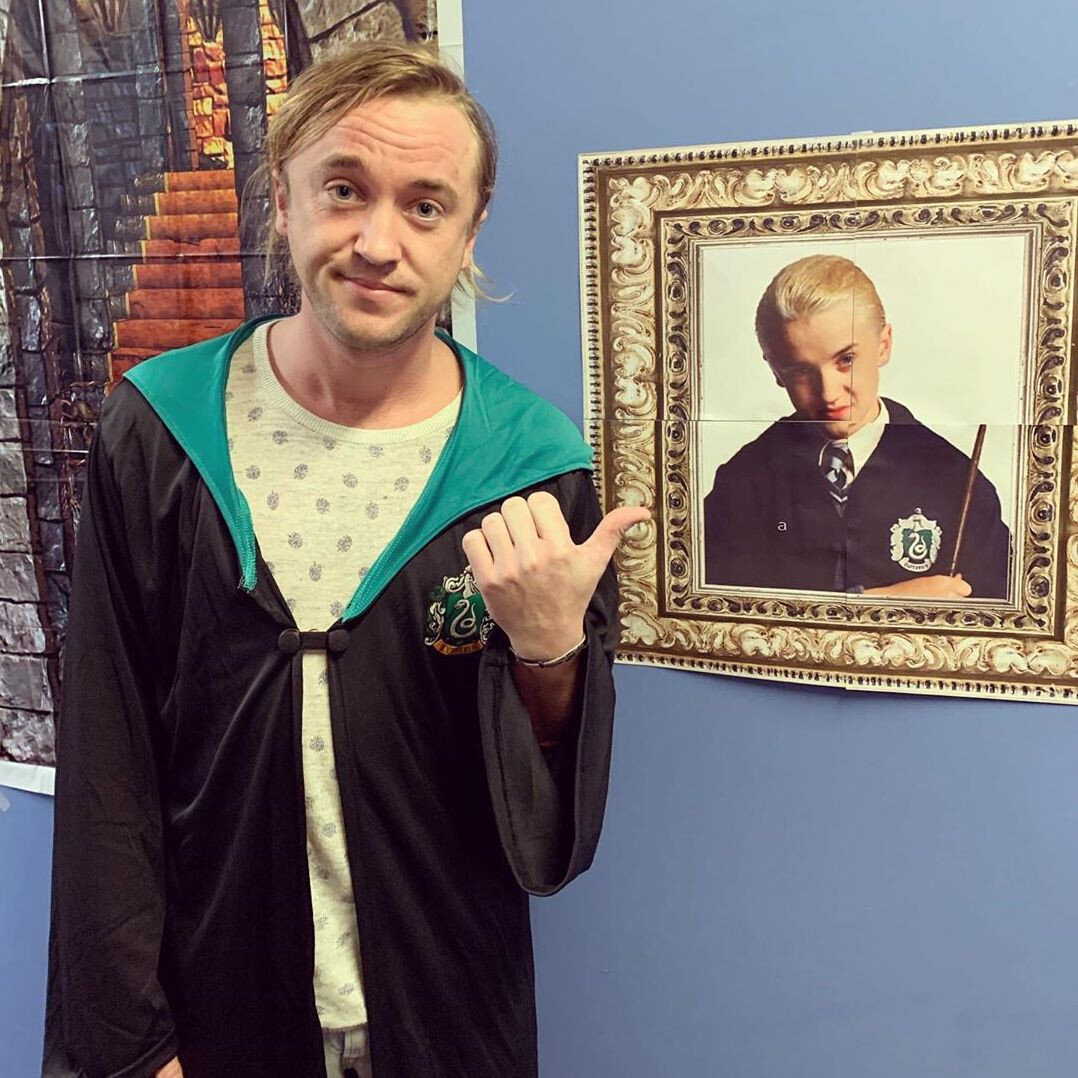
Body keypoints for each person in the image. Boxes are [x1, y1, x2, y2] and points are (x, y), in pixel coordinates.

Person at [44, 42, 647, 1078]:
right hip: (216, 1006)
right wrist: (131, 1050)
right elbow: (109, 761)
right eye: (343, 189)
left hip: (445, 1012)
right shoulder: (160, 431)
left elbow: (545, 821)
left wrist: (549, 651)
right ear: (282, 199)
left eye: (425, 206)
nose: (377, 241)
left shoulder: (528, 468)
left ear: (469, 233)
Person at [703, 254, 1010, 598]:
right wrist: (882, 602)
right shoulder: (742, 481)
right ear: (775, 370)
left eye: (846, 359)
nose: (828, 393)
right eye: (801, 370)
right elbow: (715, 616)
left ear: (883, 345)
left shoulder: (958, 482)